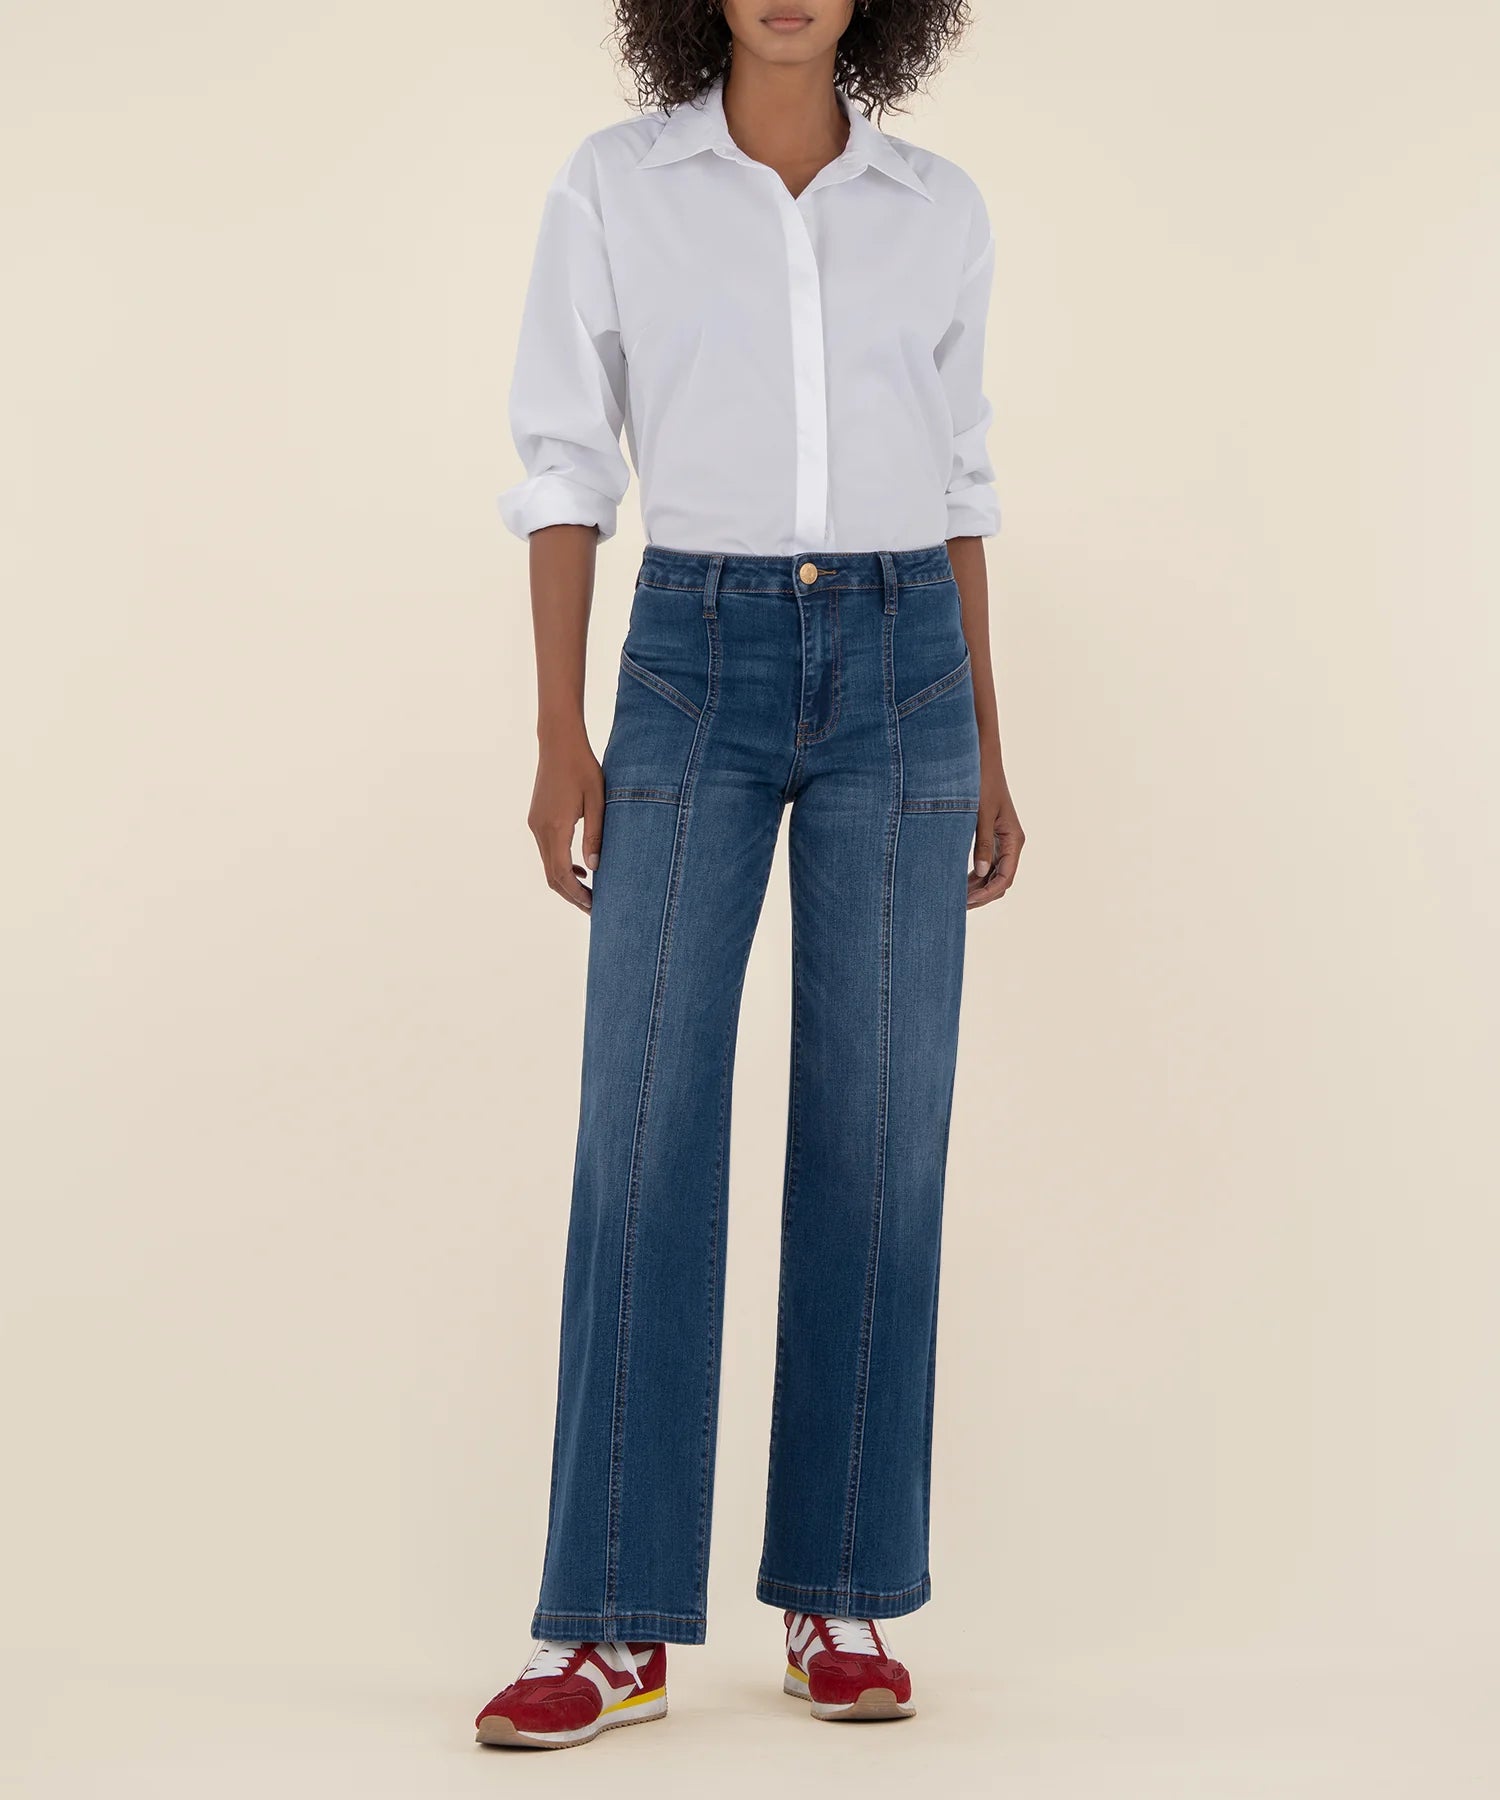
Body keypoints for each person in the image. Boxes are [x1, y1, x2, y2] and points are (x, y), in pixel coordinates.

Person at [475, 0, 1024, 1750]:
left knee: (881, 1134)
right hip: (687, 664)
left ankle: (840, 1592)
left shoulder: (937, 207)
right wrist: (559, 730)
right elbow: (566, 462)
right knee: (641, 1127)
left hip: (906, 669)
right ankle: (610, 1623)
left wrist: (988, 740)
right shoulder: (614, 186)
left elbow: (960, 481)